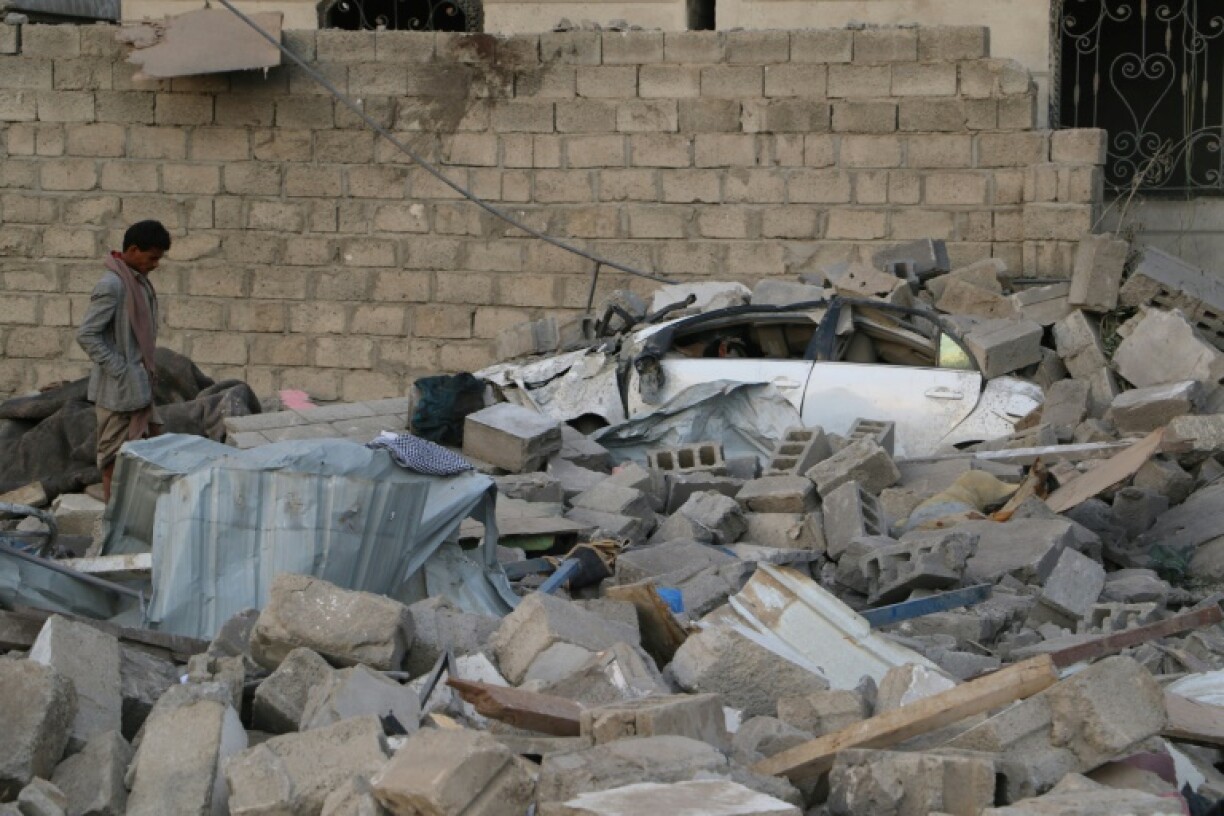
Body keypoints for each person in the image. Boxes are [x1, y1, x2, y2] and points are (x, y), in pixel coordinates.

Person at [76, 220, 171, 501]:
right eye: (152, 257)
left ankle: (136, 517)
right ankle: (114, 523)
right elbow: (88, 335)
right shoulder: (112, 285)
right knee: (113, 460)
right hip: (117, 393)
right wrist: (121, 370)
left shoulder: (137, 281)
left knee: (149, 448)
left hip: (139, 387)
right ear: (132, 249)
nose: (155, 264)